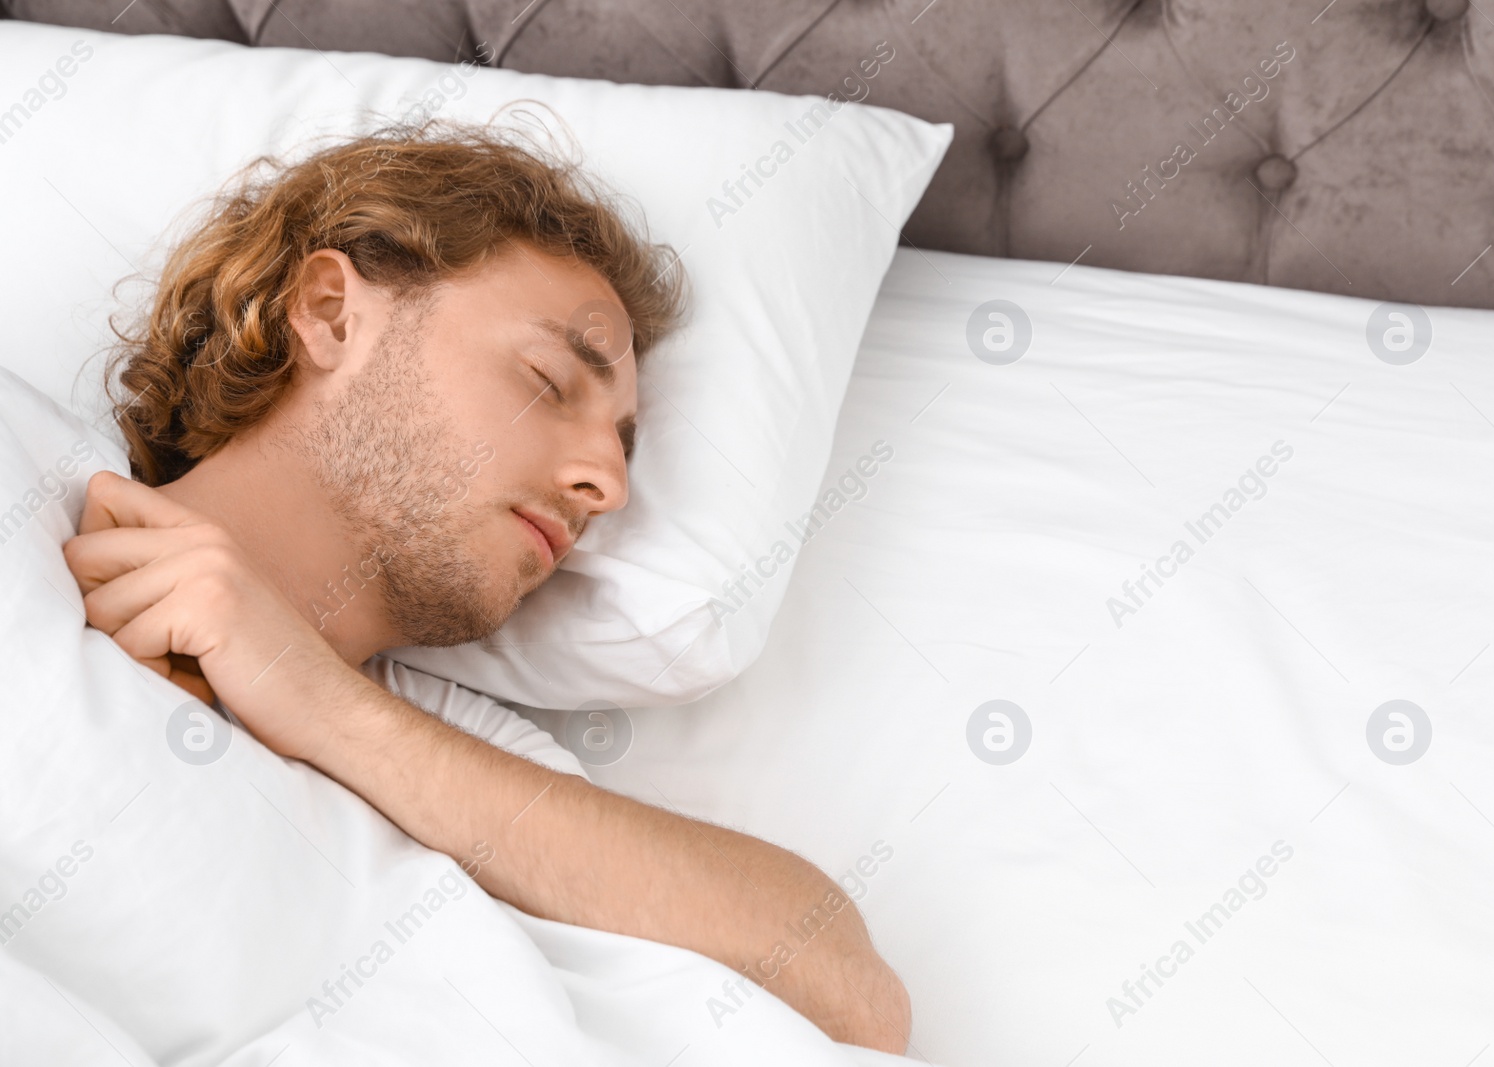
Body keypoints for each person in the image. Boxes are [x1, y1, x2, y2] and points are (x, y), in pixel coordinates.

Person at [61, 117, 910, 1053]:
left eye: (626, 447)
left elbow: (852, 995)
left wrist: (318, 703)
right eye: (549, 381)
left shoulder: (443, 759)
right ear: (331, 314)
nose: (609, 486)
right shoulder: (31, 492)